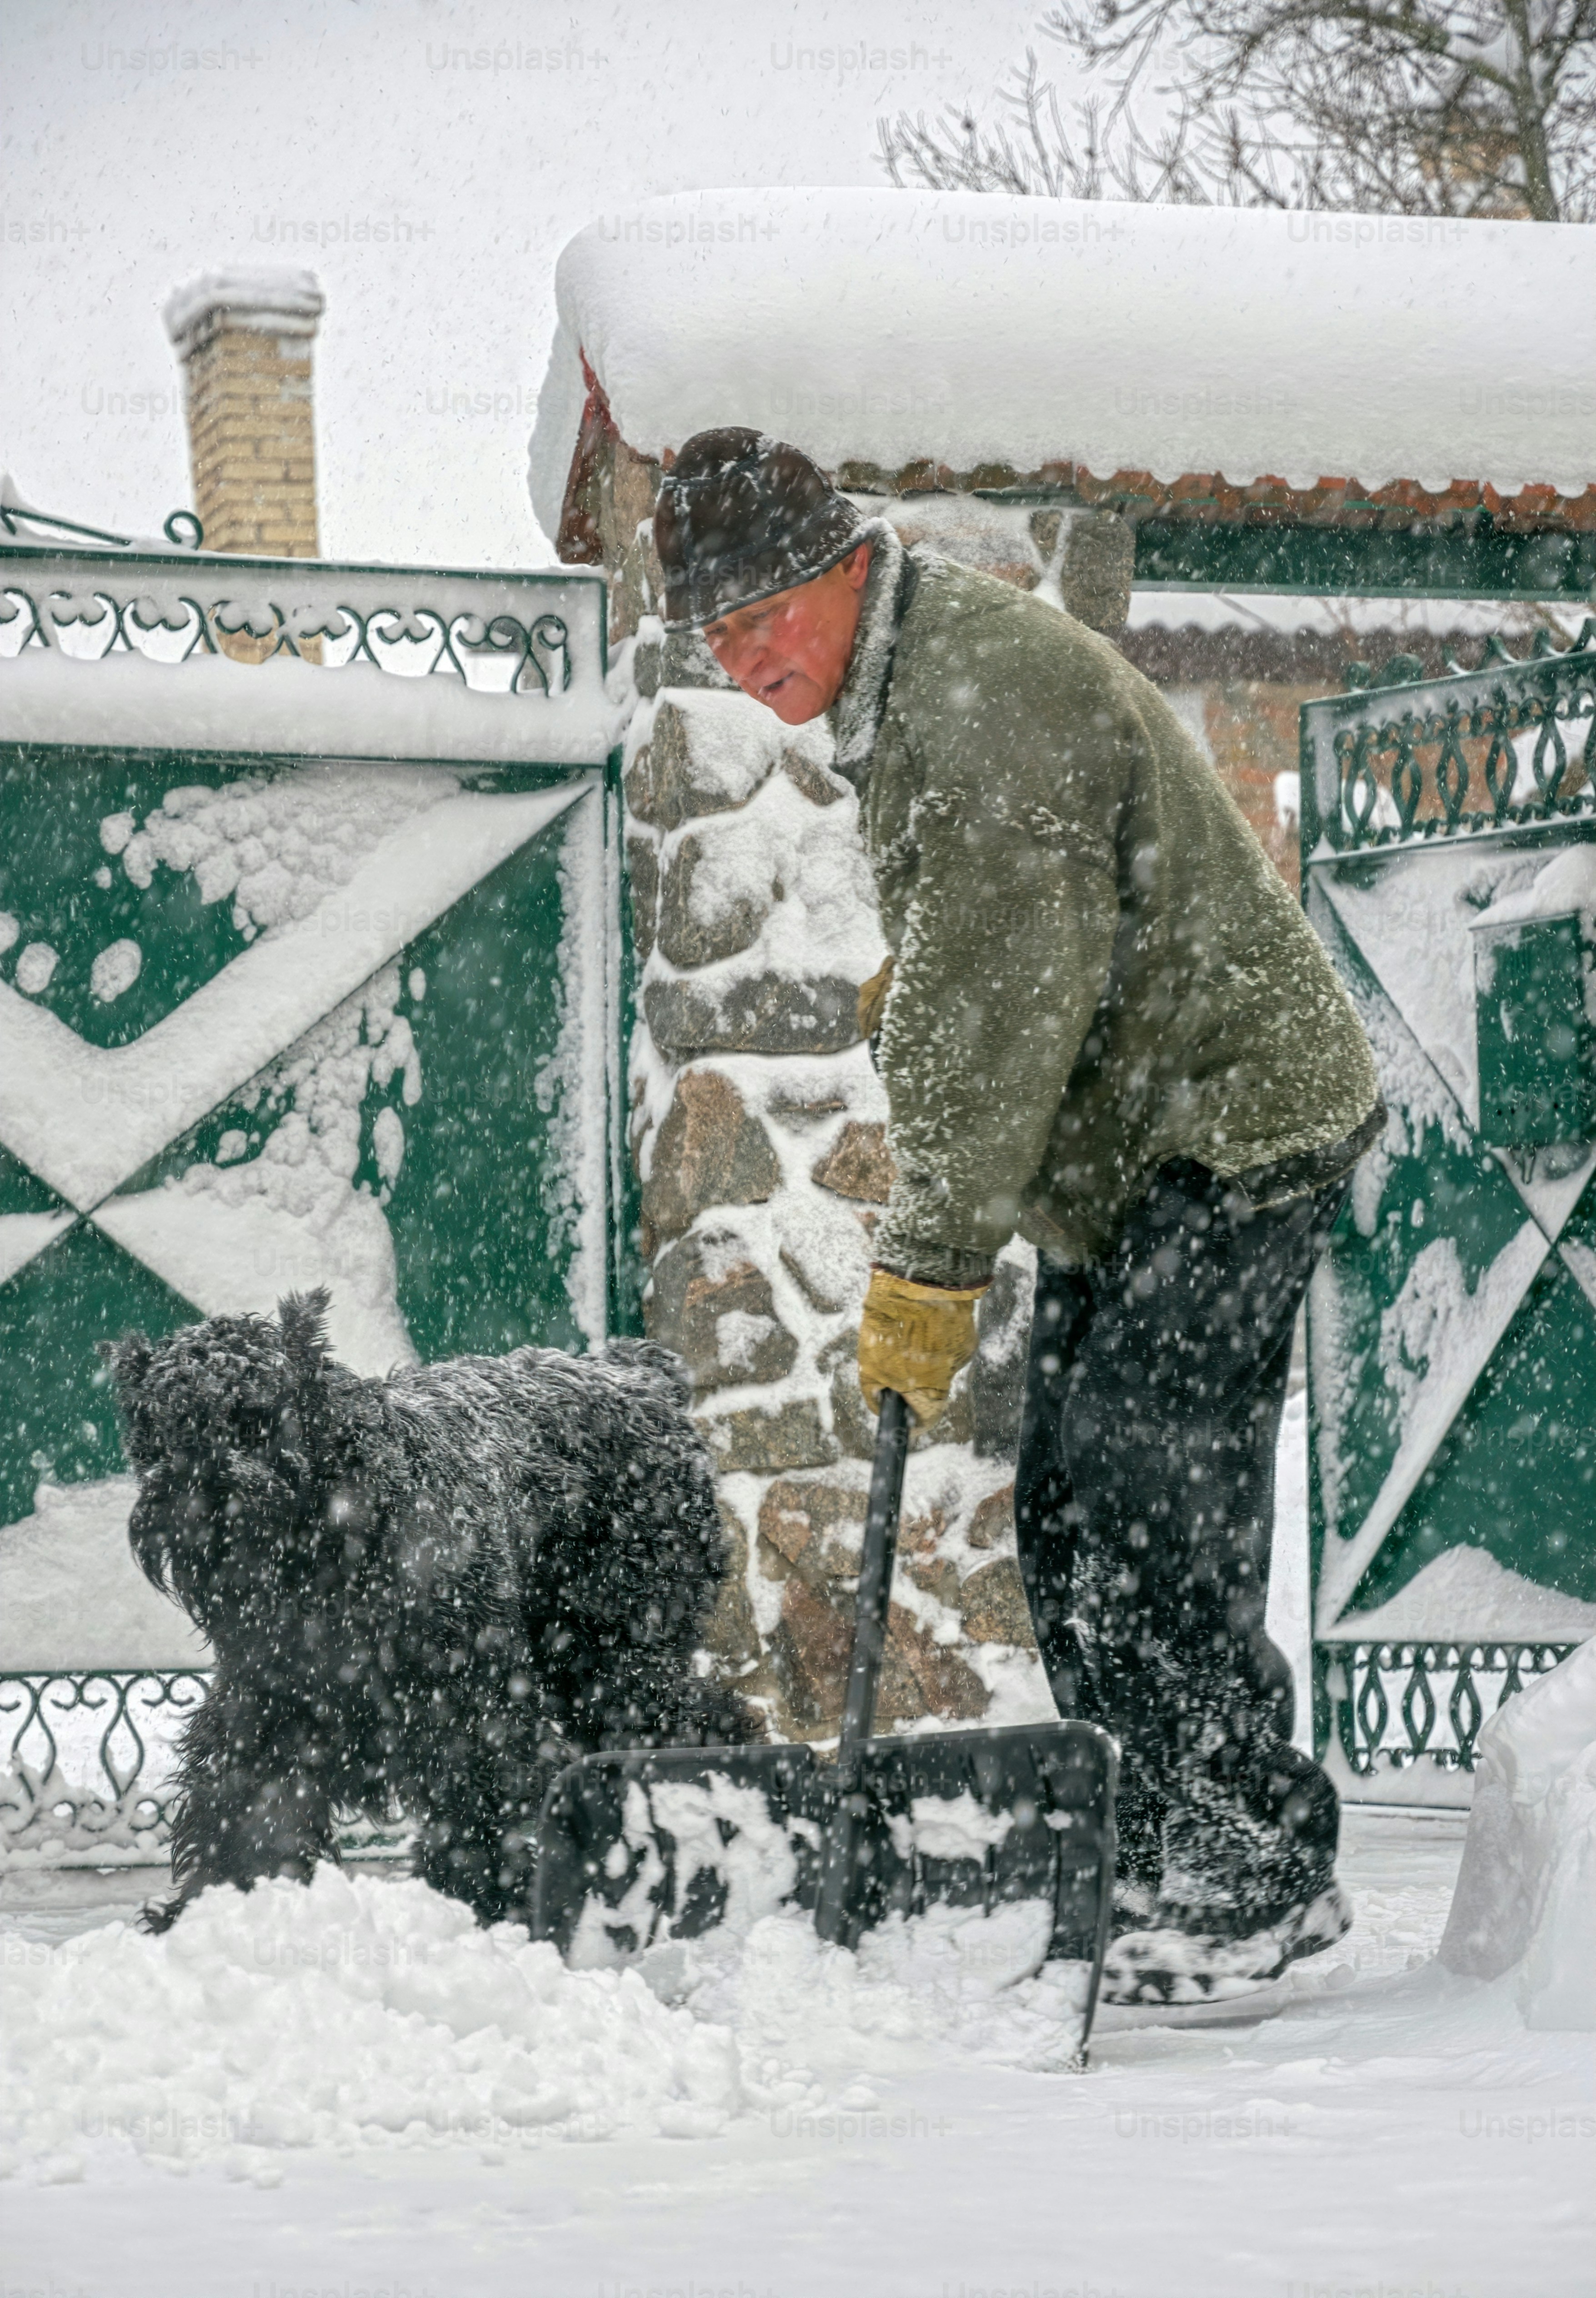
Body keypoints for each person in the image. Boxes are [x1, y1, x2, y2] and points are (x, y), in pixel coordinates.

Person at [652, 427, 1383, 2005]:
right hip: (1136, 1146)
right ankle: (1168, 1842)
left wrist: (927, 1266)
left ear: (844, 564)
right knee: (1070, 1504)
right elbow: (1005, 957)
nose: (743, 655)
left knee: (1144, 1495)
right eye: (716, 635)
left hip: (1233, 1126)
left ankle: (1252, 1869)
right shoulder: (912, 679)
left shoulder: (980, 703)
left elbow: (996, 1021)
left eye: (763, 613)